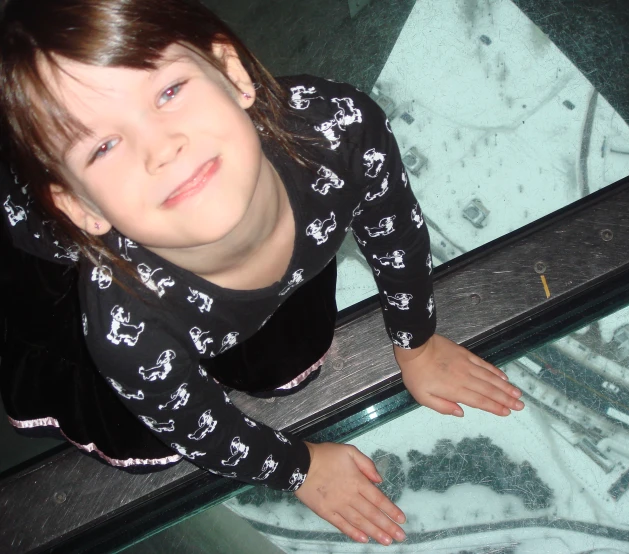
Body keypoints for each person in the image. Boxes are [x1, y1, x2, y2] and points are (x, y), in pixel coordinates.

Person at [0, 0, 524, 545]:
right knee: (147, 432)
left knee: (286, 346)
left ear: (232, 74)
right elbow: (196, 428)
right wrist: (300, 468)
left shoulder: (337, 130)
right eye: (103, 146)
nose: (161, 149)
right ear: (82, 208)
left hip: (241, 288)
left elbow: (397, 230)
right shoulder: (123, 326)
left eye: (169, 91)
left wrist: (417, 342)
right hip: (80, 280)